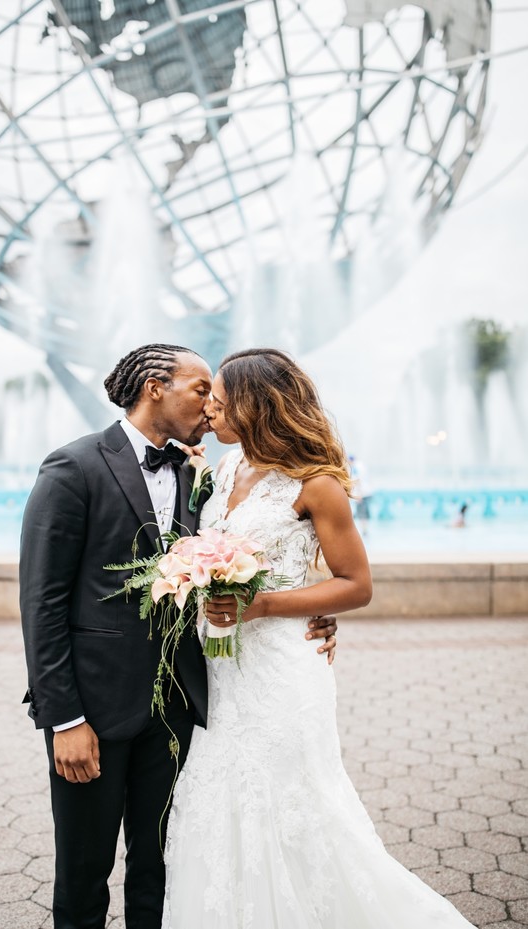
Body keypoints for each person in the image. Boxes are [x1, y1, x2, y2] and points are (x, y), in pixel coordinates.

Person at [19, 343, 338, 929]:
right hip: (93, 712)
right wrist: (64, 720)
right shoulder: (74, 467)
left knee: (163, 871)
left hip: (183, 711)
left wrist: (303, 611)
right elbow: (41, 603)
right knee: (85, 874)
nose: (211, 405)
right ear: (154, 388)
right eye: (201, 390)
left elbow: (255, 559)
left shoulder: (203, 477)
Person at [162, 348, 476, 929]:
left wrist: (263, 606)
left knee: (292, 802)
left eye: (222, 402)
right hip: (224, 672)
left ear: (256, 409)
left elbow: (357, 585)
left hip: (282, 669)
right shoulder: (225, 470)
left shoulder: (316, 485)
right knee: (220, 796)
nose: (210, 410)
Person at [349, 453, 374, 536]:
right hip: (367, 492)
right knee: (364, 512)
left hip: (362, 494)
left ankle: (364, 530)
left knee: (362, 513)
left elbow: (358, 481)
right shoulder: (362, 465)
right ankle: (365, 530)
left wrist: (359, 495)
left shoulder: (356, 467)